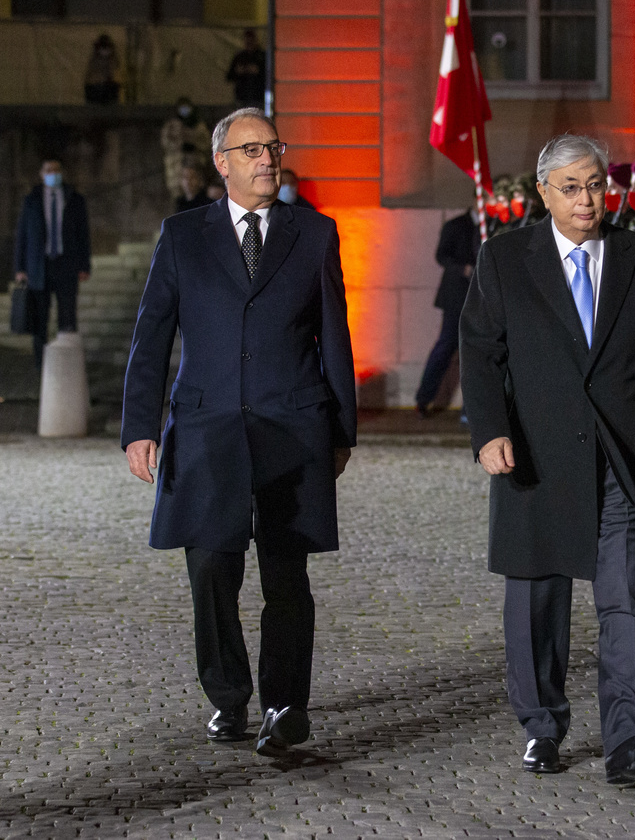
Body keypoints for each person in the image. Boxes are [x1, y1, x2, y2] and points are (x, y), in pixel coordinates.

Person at [120, 107, 357, 756]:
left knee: (286, 573)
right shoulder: (183, 235)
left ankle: (285, 703)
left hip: (293, 423)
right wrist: (139, 426)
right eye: (251, 149)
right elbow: (152, 334)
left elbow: (334, 336)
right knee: (211, 570)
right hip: (205, 425)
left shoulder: (314, 233)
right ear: (222, 162)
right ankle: (229, 695)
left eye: (273, 147)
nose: (267, 159)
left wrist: (342, 429)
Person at [459, 133, 635, 784]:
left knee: (624, 597)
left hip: (619, 457)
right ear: (544, 193)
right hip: (534, 454)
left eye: (594, 184)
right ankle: (541, 725)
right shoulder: (505, 259)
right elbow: (480, 350)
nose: (586, 198)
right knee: (537, 600)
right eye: (571, 187)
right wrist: (489, 431)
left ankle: (630, 737)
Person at [13, 159, 91, 368]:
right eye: (48, 170)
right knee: (40, 318)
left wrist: (84, 265)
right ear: (41, 174)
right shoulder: (31, 200)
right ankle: (42, 366)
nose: (52, 173)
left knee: (67, 316)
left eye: (56, 170)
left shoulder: (74, 199)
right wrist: (20, 268)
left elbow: (83, 234)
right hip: (40, 265)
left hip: (66, 264)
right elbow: (22, 235)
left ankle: (68, 365)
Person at [414, 205, 480, 415]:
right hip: (456, 297)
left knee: (477, 353)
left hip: (480, 298)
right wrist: (463, 268)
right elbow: (442, 255)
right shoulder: (456, 225)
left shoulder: (493, 225)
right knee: (445, 346)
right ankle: (424, 398)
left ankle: (470, 408)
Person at [161, 97, 211, 198]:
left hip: (196, 166)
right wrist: (179, 145)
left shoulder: (199, 125)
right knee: (179, 196)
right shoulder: (171, 125)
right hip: (176, 168)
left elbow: (207, 143)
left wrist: (195, 145)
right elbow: (166, 143)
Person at [227, 30, 267, 108]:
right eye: (247, 41)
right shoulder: (239, 56)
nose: (249, 44)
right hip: (242, 96)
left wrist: (258, 71)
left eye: (251, 41)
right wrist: (238, 72)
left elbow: (269, 75)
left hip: (258, 96)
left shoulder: (263, 56)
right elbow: (229, 76)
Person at [84, 34, 120, 104]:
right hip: (95, 90)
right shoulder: (95, 61)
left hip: (108, 90)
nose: (105, 49)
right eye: (103, 46)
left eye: (107, 46)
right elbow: (92, 78)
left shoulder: (113, 59)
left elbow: (115, 72)